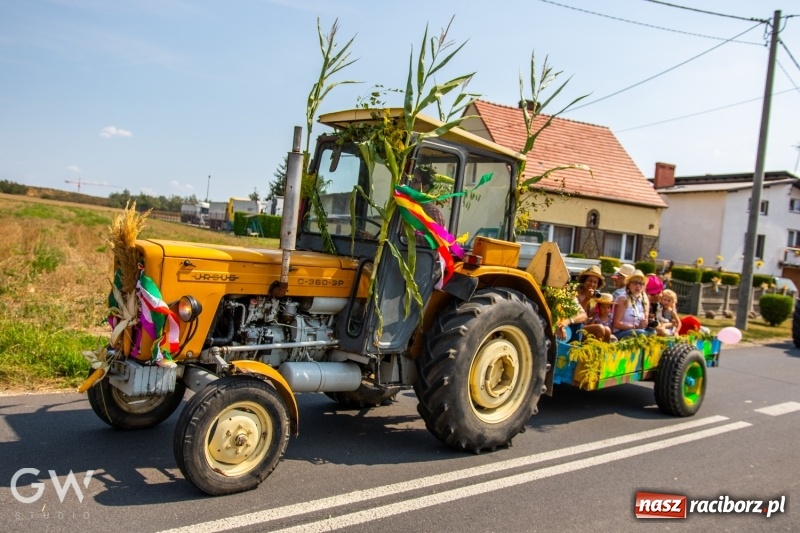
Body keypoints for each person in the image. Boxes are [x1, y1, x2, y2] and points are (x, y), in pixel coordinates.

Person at [572, 265, 612, 342]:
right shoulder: (576, 293)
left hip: (587, 326)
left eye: (595, 282)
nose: (592, 284)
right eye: (590, 281)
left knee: (607, 330)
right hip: (575, 327)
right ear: (584, 281)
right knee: (599, 328)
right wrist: (587, 298)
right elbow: (576, 313)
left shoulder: (596, 298)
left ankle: (603, 352)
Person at [612, 269, 654, 339]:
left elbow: (643, 322)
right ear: (628, 285)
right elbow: (616, 324)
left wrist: (646, 323)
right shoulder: (622, 298)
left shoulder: (643, 299)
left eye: (641, 283)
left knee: (653, 332)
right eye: (635, 283)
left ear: (644, 287)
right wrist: (635, 327)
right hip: (620, 332)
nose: (638, 286)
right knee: (642, 333)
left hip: (637, 330)